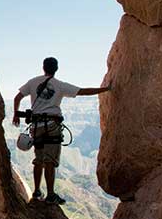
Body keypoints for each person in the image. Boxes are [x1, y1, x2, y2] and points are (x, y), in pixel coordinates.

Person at [12, 57, 111, 205]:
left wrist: (16, 114)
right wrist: (105, 89)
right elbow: (83, 91)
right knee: (50, 161)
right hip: (52, 126)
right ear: (56, 69)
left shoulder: (33, 82)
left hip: (37, 126)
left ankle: (37, 191)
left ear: (43, 67)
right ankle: (50, 195)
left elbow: (17, 97)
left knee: (38, 160)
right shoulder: (60, 85)